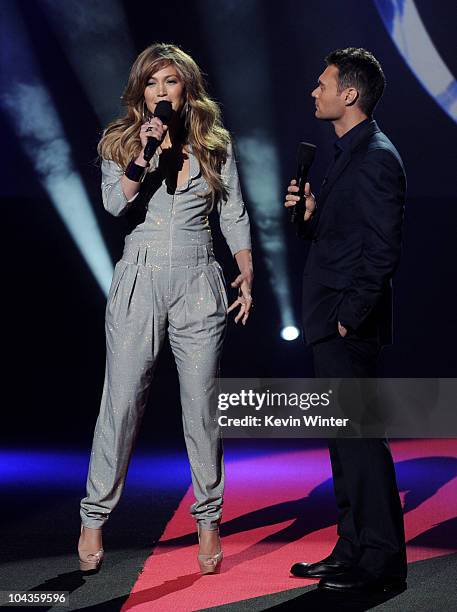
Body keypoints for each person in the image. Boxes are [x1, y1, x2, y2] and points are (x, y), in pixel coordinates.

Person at [78, 43, 253, 575]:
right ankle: (93, 517)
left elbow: (234, 212)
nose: (161, 91)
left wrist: (247, 270)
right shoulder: (122, 141)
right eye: (152, 82)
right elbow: (115, 202)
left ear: (187, 88)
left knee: (201, 407)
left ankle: (208, 519)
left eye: (170, 81)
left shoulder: (214, 145)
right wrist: (144, 154)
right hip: (140, 275)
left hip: (200, 277)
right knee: (122, 403)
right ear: (141, 91)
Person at [284, 48, 407, 594]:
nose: (315, 91)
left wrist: (348, 318)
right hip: (330, 316)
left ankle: (379, 561)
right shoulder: (346, 155)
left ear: (349, 94)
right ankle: (353, 547)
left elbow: (382, 250)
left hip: (345, 322)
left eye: (323, 83)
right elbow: (343, 238)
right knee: (344, 442)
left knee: (360, 440)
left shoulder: (376, 156)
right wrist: (309, 217)